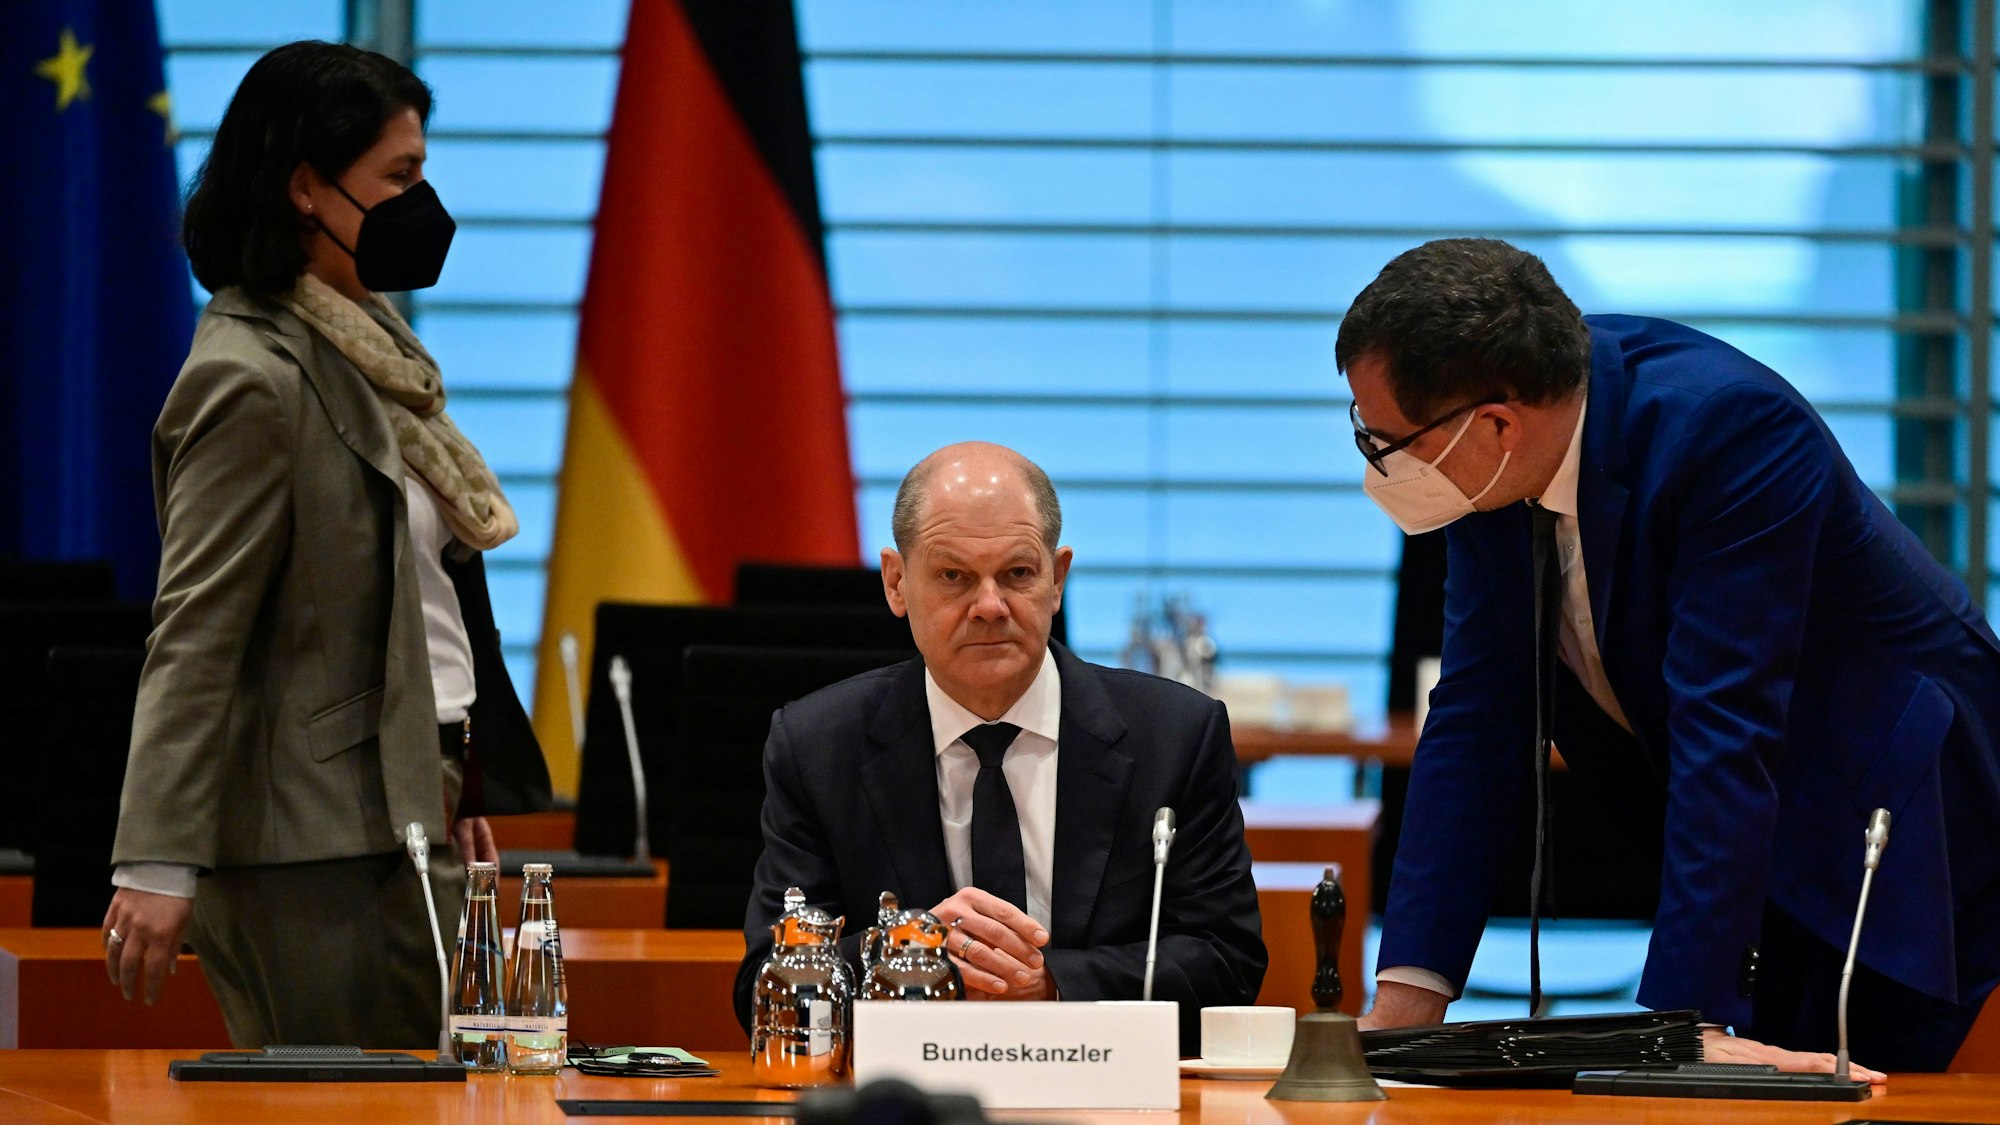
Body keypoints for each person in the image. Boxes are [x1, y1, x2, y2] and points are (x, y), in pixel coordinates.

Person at [1342, 238, 2000, 1075]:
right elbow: (1476, 717)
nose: (1378, 463)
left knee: (1857, 1090)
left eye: (1383, 440)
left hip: (1900, 823)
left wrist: (1685, 1019)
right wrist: (1406, 1002)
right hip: (1756, 828)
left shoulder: (1729, 429)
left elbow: (1726, 728)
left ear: (1497, 424)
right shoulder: (1490, 464)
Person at [100, 41, 550, 1048]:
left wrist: (455, 782)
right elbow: (196, 632)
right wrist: (157, 860)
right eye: (400, 175)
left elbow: (424, 606)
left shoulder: (366, 351)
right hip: (312, 848)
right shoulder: (250, 376)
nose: (422, 202)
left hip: (401, 809)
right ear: (306, 188)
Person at [732, 442, 1265, 1052]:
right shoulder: (819, 747)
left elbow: (1228, 963)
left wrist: (1051, 986)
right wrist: (910, 952)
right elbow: (763, 988)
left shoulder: (1174, 737)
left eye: (1017, 574)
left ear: (1057, 580)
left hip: (1105, 1086)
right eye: (953, 576)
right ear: (897, 583)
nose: (989, 607)